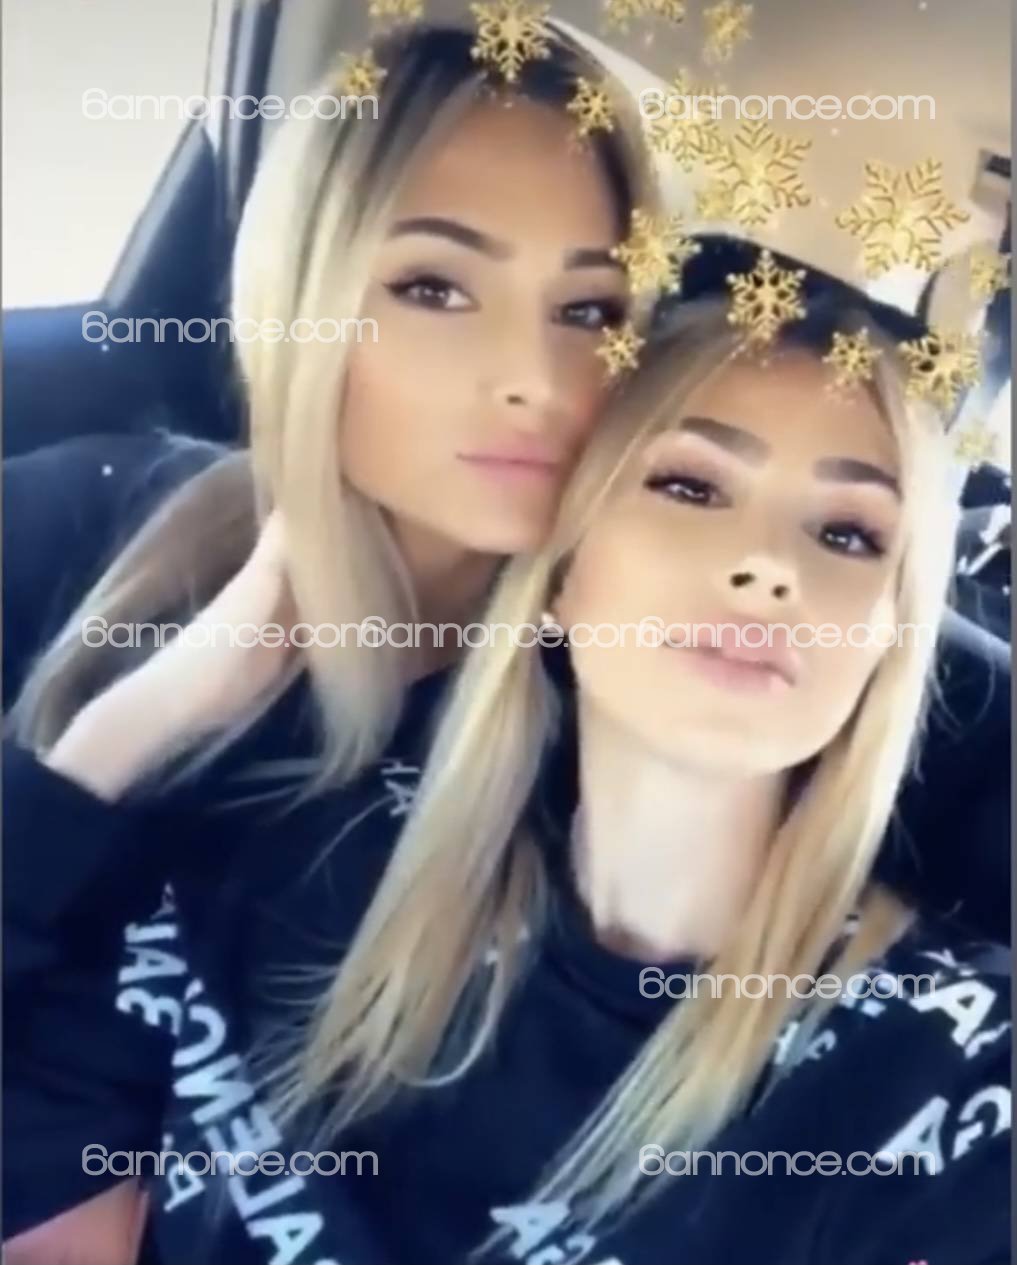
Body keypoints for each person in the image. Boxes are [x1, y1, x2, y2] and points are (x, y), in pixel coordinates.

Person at [7, 290, 1010, 1264]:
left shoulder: (950, 1074)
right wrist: (129, 727)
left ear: (887, 640)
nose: (768, 566)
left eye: (848, 534)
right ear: (562, 569)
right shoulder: (301, 837)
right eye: (691, 486)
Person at [2, 18, 653, 1260]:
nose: (534, 377)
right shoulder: (66, 526)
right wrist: (139, 722)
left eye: (588, 306)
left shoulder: (617, 732)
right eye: (434, 288)